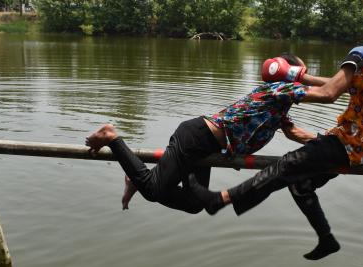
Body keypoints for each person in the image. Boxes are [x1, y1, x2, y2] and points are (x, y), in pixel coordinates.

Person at [190, 15, 363, 260]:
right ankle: (326, 239)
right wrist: (298, 75)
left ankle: (221, 199)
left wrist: (348, 63)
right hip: (361, 151)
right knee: (300, 183)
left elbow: (330, 92)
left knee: (287, 165)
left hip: (344, 144)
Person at [85, 53, 318, 214]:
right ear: (289, 73)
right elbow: (327, 93)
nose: (302, 76)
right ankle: (111, 137)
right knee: (154, 190)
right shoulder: (277, 90)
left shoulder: (279, 106)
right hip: (196, 137)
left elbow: (294, 133)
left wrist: (327, 143)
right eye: (299, 71)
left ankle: (139, 178)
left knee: (196, 203)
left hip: (208, 147)